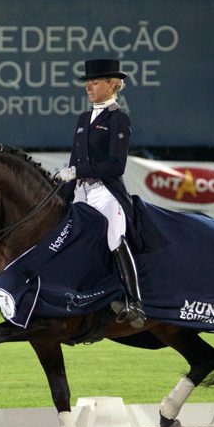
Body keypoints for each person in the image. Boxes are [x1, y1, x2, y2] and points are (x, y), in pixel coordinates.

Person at [57, 58, 145, 328]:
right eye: (87, 82)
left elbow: (116, 165)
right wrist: (64, 192)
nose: (89, 86)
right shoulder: (84, 119)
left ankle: (134, 302)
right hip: (82, 192)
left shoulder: (118, 119)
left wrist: (78, 171)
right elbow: (74, 161)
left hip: (106, 192)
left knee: (113, 236)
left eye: (95, 82)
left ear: (112, 84)